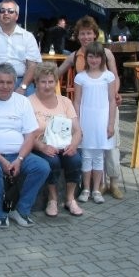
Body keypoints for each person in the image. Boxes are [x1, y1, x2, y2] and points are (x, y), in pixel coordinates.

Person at [0, 63, 50, 229]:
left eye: (9, 82)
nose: (5, 86)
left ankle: (21, 210)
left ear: (15, 83)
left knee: (42, 167)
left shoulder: (22, 101)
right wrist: (1, 160)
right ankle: (1, 213)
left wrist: (20, 159)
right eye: (1, 82)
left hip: (19, 154)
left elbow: (30, 135)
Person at [56, 16, 124, 199]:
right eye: (82, 34)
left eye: (89, 33)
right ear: (78, 36)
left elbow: (115, 76)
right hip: (87, 107)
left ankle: (114, 182)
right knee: (90, 147)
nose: (86, 37)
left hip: (106, 104)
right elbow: (57, 72)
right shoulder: (75, 55)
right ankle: (97, 185)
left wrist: (115, 93)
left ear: (95, 35)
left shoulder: (106, 53)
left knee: (111, 145)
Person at [29, 62, 83, 217]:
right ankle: (52, 199)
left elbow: (78, 130)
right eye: (43, 81)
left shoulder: (65, 102)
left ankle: (70, 198)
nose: (47, 85)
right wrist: (41, 147)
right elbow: (26, 135)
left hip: (65, 144)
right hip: (41, 145)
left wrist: (73, 144)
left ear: (56, 82)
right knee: (52, 161)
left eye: (51, 81)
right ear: (36, 82)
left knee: (75, 160)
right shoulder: (28, 102)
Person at [73, 42, 117, 205]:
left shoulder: (108, 76)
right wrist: (77, 125)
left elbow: (112, 100)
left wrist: (110, 123)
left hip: (102, 120)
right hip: (86, 120)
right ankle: (85, 188)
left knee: (98, 156)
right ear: (86, 58)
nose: (94, 60)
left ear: (102, 58)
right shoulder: (80, 77)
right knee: (86, 156)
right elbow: (76, 102)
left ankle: (97, 189)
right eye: (91, 56)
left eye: (97, 57)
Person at [0, 0, 42, 96]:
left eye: (10, 11)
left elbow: (32, 66)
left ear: (17, 16)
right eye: (2, 11)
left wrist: (23, 87)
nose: (6, 13)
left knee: (30, 101)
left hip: (20, 80)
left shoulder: (28, 36)